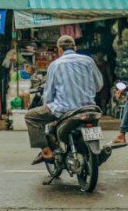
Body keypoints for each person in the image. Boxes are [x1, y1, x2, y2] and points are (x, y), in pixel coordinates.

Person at [25, 35, 104, 165]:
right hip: (89, 108)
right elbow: (99, 86)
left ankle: (46, 151)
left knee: (30, 117)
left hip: (64, 109)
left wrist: (47, 104)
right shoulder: (88, 61)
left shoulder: (55, 65)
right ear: (74, 48)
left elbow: (49, 94)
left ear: (59, 50)